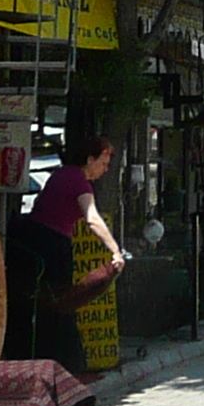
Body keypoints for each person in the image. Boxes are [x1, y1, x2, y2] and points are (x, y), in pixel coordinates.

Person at [22, 133, 122, 373]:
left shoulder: (62, 174)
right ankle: (64, 366)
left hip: (37, 240)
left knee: (46, 306)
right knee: (60, 306)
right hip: (51, 245)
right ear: (89, 159)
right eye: (102, 163)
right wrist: (115, 250)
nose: (105, 170)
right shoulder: (78, 182)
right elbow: (92, 218)